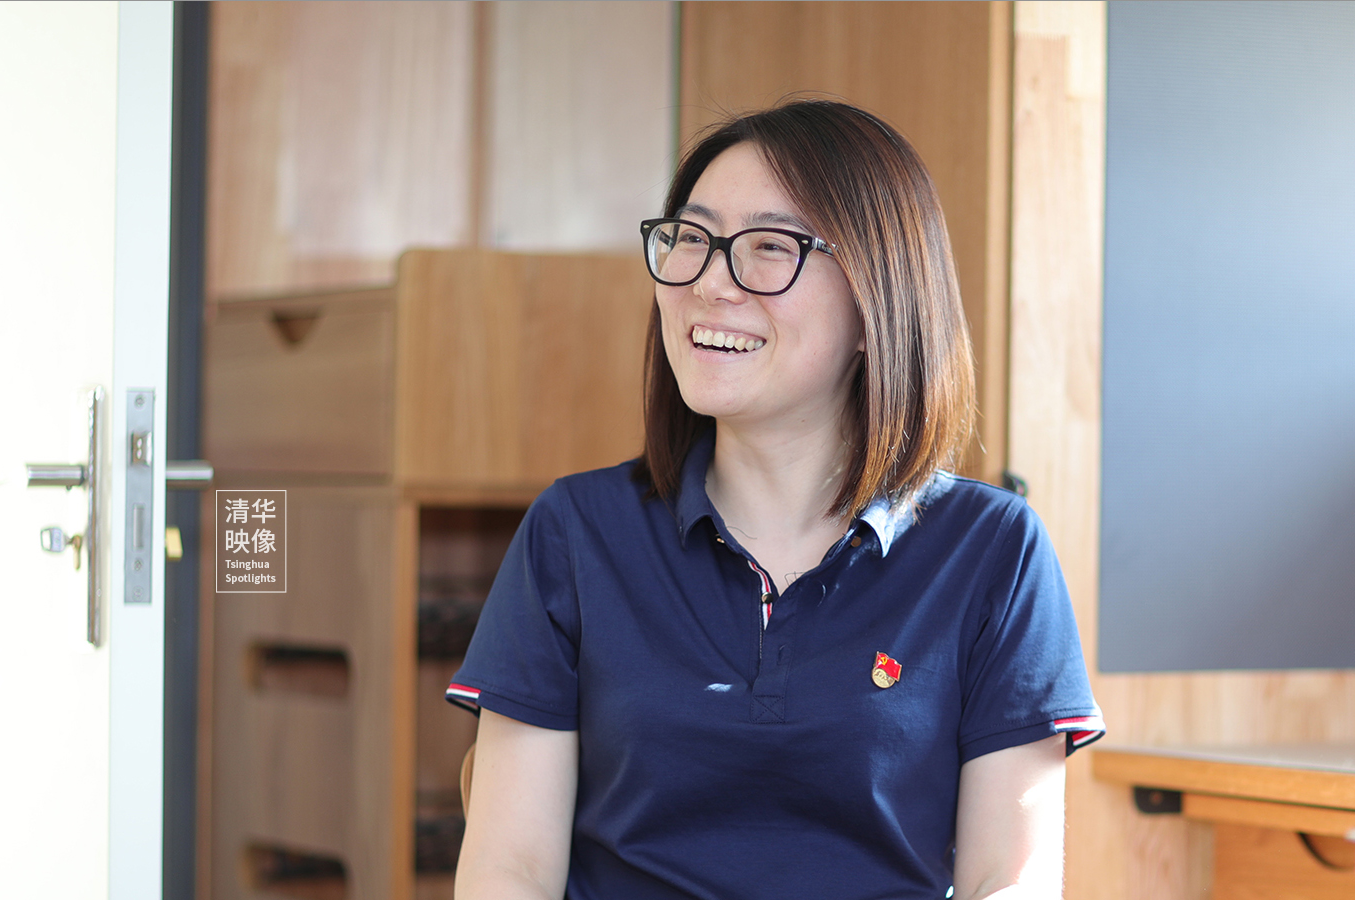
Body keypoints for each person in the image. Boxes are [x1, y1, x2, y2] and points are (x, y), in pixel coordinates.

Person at [447, 99, 1103, 900]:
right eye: (691, 239)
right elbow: (509, 869)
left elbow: (1012, 879)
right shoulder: (577, 532)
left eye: (769, 248)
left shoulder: (993, 550)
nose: (709, 284)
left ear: (877, 298)